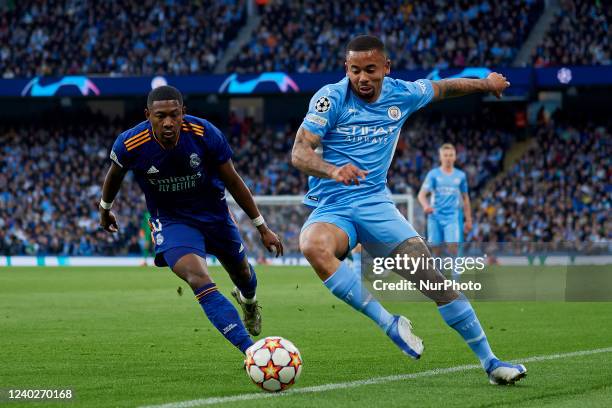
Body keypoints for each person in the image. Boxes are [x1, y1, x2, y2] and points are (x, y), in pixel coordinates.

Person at [291, 35, 526, 384]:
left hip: (376, 205)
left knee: (437, 284)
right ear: (346, 69)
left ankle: (491, 363)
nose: (363, 78)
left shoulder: (403, 93)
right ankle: (389, 323)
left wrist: (485, 84)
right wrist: (333, 170)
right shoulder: (330, 98)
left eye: (371, 69)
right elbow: (299, 152)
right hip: (334, 207)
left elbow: (445, 88)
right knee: (312, 244)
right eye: (355, 70)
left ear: (386, 67)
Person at [99, 85, 283, 354]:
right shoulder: (130, 143)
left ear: (184, 113)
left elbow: (233, 180)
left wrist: (262, 227)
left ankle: (249, 301)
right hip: (171, 221)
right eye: (160, 116)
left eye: (175, 115)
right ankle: (251, 352)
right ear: (147, 114)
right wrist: (105, 208)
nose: (168, 122)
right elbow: (115, 174)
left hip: (215, 215)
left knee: (242, 273)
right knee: (199, 279)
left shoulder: (204, 133)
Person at [418, 143, 472, 280]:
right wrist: (425, 206)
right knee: (436, 249)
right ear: (440, 157)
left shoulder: (460, 176)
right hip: (435, 217)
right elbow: (421, 195)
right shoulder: (433, 174)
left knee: (453, 246)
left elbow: (465, 198)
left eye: (451, 155)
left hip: (453, 217)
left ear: (455, 157)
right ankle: (440, 280)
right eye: (445, 155)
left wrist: (468, 219)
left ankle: (456, 281)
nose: (448, 158)